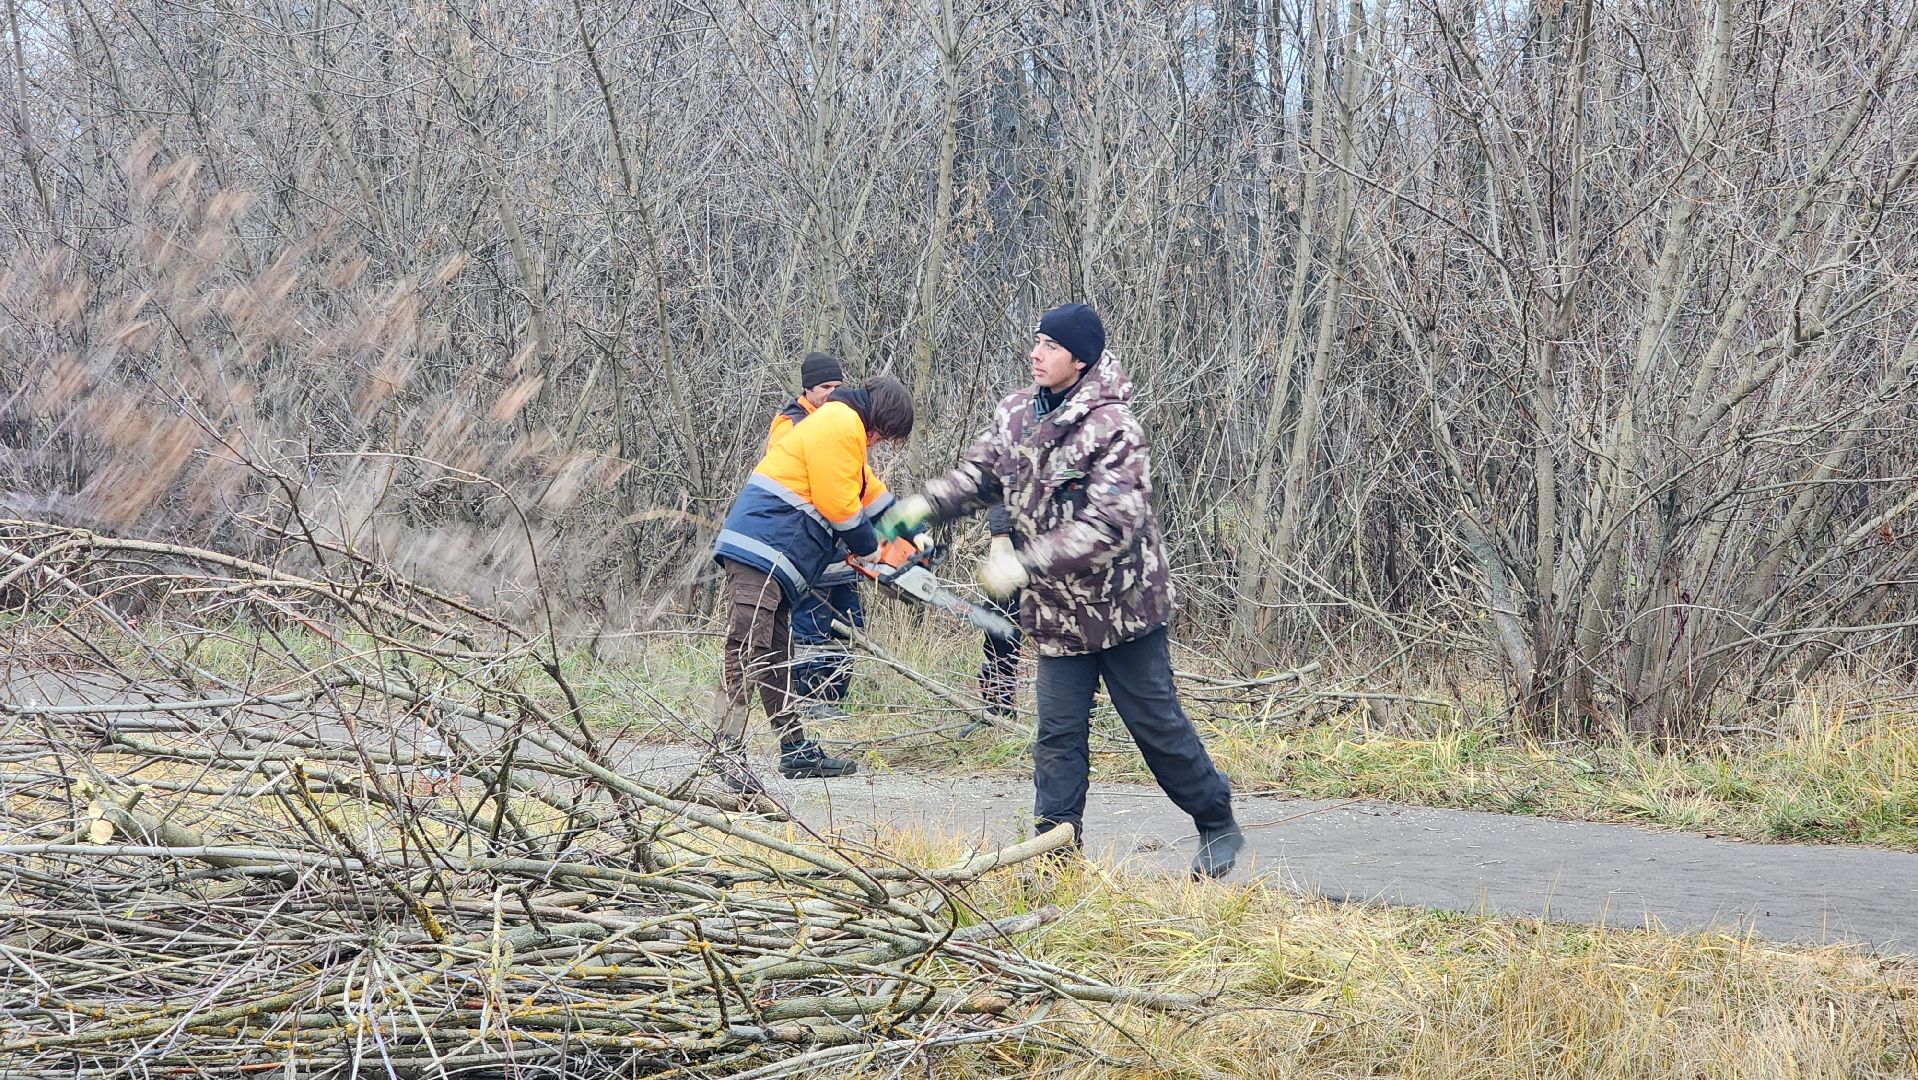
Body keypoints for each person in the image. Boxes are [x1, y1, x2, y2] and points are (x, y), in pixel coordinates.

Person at [881, 303, 1245, 878]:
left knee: (1157, 729)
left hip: (1124, 612)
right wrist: (923, 505)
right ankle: (1055, 859)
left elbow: (1112, 523)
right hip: (1057, 618)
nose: (1036, 354)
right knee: (1056, 738)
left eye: (1050, 346)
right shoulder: (1016, 414)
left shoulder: (1114, 427)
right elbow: (978, 476)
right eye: (1036, 341)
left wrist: (1025, 564)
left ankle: (1216, 821)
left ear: (1080, 359)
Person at [710, 374, 914, 792]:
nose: (879, 442)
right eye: (884, 434)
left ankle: (794, 748)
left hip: (778, 556)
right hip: (761, 547)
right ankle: (725, 748)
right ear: (881, 418)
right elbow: (839, 504)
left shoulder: (842, 428)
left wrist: (913, 536)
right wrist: (869, 548)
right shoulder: (841, 423)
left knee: (776, 654)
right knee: (748, 647)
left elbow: (870, 492)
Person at [769, 353, 864, 721]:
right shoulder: (790, 425)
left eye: (838, 386)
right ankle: (808, 699)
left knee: (849, 624)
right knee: (810, 624)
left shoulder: (843, 424)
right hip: (808, 545)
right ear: (807, 388)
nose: (832, 393)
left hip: (842, 547)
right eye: (826, 387)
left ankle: (835, 697)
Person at [976, 503, 1021, 718]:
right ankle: (999, 709)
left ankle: (1084, 714)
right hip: (1014, 538)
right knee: (1000, 624)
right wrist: (1001, 534)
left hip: (1062, 541)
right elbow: (998, 487)